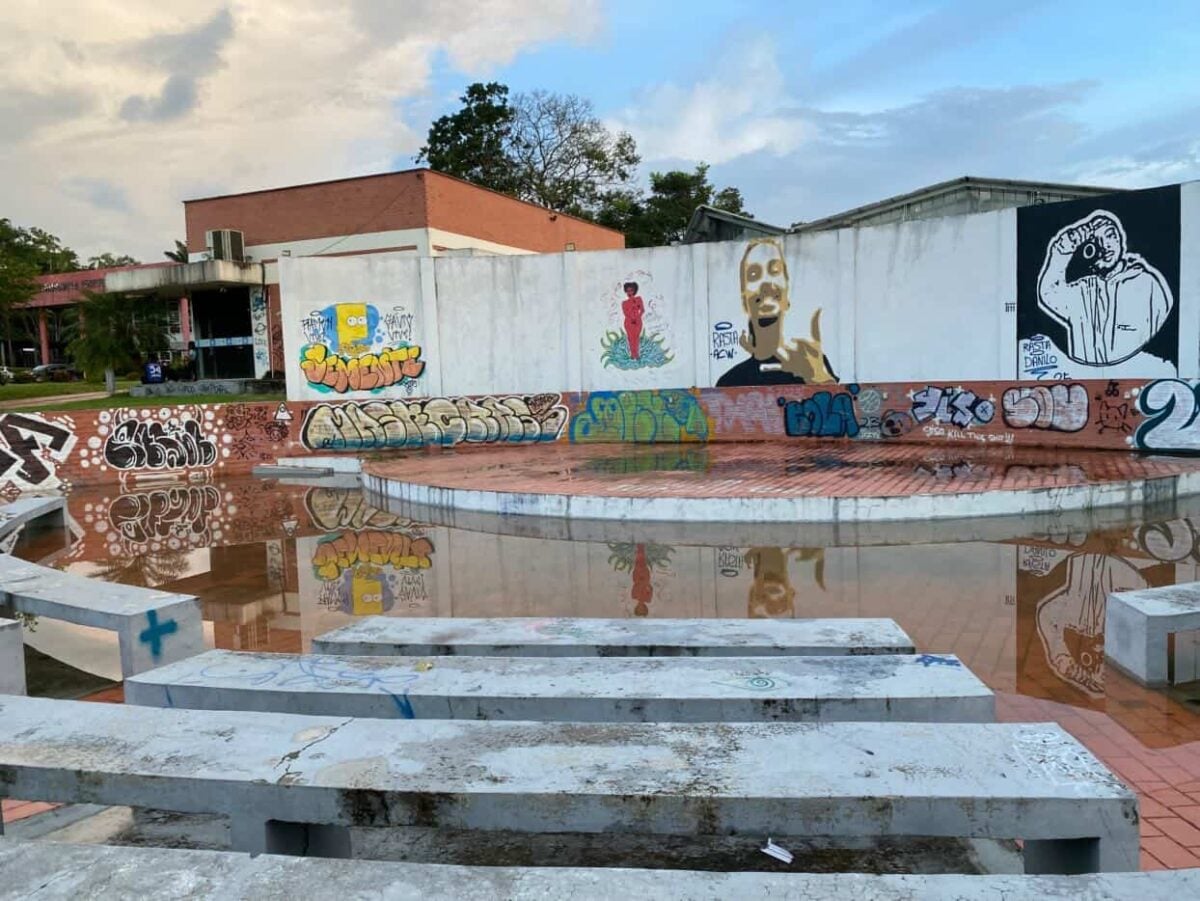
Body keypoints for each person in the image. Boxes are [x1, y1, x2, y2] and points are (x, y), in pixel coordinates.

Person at [1036, 210, 1173, 366]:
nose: (1105, 245)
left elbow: (1163, 335)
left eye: (1110, 235)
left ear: (1121, 240)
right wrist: (1062, 250)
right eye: (1096, 241)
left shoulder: (1146, 284)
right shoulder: (1082, 291)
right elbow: (1049, 292)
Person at [717, 239, 838, 386]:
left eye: (774, 270)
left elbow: (839, 407)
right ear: (744, 300)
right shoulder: (730, 381)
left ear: (787, 292)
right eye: (754, 274)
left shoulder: (812, 363)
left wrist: (819, 377)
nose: (766, 283)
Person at [621, 281, 644, 360]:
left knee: (636, 337)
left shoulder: (639, 299)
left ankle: (636, 354)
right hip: (628, 322)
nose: (629, 292)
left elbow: (642, 310)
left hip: (638, 321)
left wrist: (637, 317)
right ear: (626, 291)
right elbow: (625, 313)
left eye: (631, 290)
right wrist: (632, 318)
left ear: (634, 291)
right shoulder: (624, 303)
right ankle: (632, 354)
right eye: (628, 290)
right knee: (630, 338)